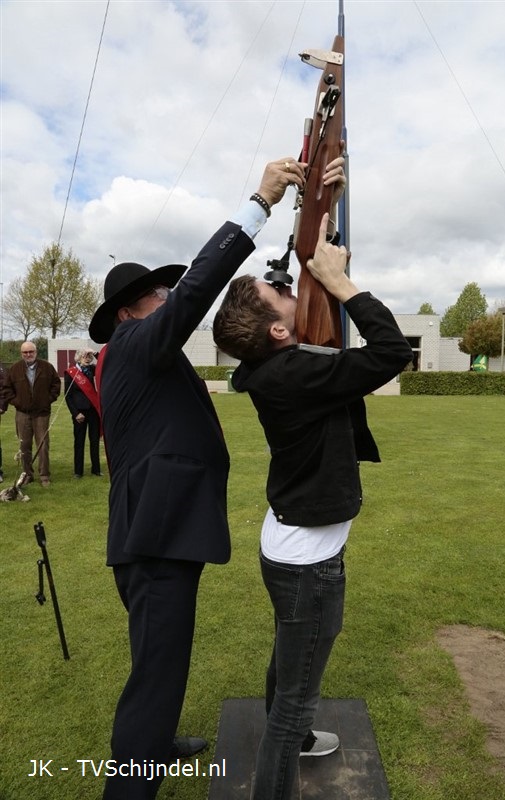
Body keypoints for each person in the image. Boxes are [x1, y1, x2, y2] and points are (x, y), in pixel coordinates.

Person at [88, 156, 310, 800]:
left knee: (158, 663)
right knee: (155, 676)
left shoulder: (137, 357)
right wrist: (259, 204)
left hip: (155, 531)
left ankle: (154, 746)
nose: (168, 301)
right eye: (159, 295)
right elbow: (196, 293)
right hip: (154, 539)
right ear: (135, 310)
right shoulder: (134, 343)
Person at [213, 212, 414, 800]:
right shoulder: (294, 373)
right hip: (308, 563)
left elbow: (338, 352)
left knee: (287, 661)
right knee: (295, 699)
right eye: (281, 289)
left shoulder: (278, 367)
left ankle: (296, 743)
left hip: (293, 548)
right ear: (277, 332)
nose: (288, 283)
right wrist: (343, 284)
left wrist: (317, 229)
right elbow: (392, 351)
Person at [1, 342, 61, 486]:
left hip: (42, 413)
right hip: (22, 413)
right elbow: (6, 389)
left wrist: (47, 400)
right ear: (21, 354)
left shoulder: (47, 367)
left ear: (36, 352)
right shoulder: (15, 369)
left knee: (43, 445)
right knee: (24, 446)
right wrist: (17, 402)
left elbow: (56, 385)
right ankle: (27, 474)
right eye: (25, 352)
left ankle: (44, 475)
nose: (28, 354)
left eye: (31, 351)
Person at [64, 348, 102, 478]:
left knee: (94, 441)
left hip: (93, 411)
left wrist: (95, 353)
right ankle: (78, 471)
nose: (88, 358)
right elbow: (68, 396)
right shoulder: (71, 373)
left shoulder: (92, 369)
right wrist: (75, 413)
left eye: (89, 356)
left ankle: (96, 469)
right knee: (79, 442)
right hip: (79, 413)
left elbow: (104, 363)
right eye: (85, 355)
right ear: (78, 357)